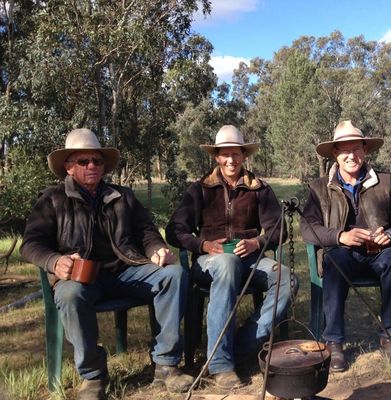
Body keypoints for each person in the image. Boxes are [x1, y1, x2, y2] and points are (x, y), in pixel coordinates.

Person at [20, 128, 193, 400]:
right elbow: (31, 244)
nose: (92, 166)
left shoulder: (122, 196)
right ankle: (93, 376)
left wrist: (157, 249)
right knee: (69, 294)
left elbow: (145, 231)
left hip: (127, 269)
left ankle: (166, 364)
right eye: (83, 161)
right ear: (68, 167)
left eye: (97, 161)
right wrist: (55, 261)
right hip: (82, 278)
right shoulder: (52, 200)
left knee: (174, 275)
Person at [165, 125, 292, 390]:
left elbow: (280, 229)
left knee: (287, 279)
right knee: (226, 262)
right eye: (225, 154)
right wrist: (203, 244)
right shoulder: (200, 189)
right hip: (210, 262)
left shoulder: (259, 189)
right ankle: (221, 365)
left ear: (244, 155)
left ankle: (240, 345)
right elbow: (174, 231)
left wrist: (256, 241)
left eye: (236, 154)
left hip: (250, 260)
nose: (231, 160)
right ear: (216, 157)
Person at [301, 120, 391, 372]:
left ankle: (390, 335)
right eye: (344, 150)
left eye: (357, 149)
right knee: (335, 260)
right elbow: (307, 228)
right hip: (343, 256)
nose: (352, 156)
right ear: (335, 154)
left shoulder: (384, 182)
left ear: (365, 150)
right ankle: (335, 342)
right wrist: (340, 237)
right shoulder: (319, 188)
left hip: (380, 254)